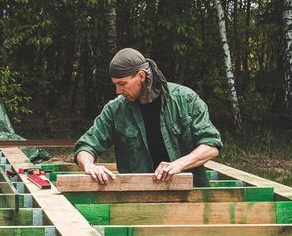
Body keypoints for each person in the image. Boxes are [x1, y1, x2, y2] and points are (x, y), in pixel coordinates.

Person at [74, 48, 222, 187]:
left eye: (122, 84)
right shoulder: (115, 110)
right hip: (139, 194)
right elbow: (86, 146)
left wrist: (179, 164)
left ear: (141, 76)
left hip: (190, 192)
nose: (118, 90)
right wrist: (89, 165)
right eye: (115, 84)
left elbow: (211, 145)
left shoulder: (185, 99)